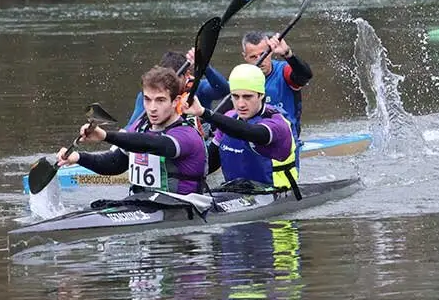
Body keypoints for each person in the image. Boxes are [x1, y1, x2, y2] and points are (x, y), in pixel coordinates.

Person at [57, 66, 207, 200]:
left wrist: (105, 136)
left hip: (180, 210)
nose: (152, 108)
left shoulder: (186, 135)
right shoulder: (140, 127)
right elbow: (115, 164)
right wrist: (77, 157)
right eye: (147, 100)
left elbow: (151, 143)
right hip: (141, 204)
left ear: (175, 102)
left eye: (160, 100)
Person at [182, 64, 299, 192]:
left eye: (247, 97)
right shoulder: (229, 117)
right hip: (236, 192)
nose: (241, 104)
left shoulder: (276, 123)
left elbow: (249, 132)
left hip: (275, 192)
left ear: (261, 95)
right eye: (235, 96)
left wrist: (204, 113)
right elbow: (208, 164)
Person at [127, 49, 230, 125]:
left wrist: (205, 66)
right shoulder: (148, 96)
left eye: (175, 78)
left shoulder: (198, 88)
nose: (170, 84)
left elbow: (224, 90)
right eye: (166, 79)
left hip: (196, 140)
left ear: (187, 75)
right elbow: (132, 126)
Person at [240, 31, 312, 139]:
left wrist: (288, 54)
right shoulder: (240, 79)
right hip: (256, 139)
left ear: (271, 52)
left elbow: (305, 76)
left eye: (264, 54)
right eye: (253, 57)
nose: (261, 60)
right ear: (245, 57)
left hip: (286, 141)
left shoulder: (284, 71)